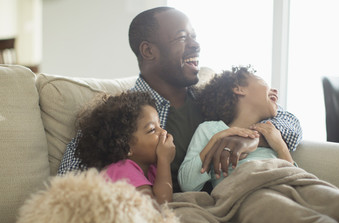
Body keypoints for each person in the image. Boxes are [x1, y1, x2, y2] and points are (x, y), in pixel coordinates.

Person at [57, 6, 302, 193]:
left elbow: (290, 122)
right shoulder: (124, 114)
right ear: (148, 51)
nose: (196, 44)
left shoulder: (210, 100)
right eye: (182, 37)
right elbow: (67, 184)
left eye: (194, 36)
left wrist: (252, 139)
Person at [178, 66, 296, 191]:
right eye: (263, 82)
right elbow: (187, 185)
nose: (275, 90)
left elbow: (295, 179)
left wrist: (281, 146)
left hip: (283, 188)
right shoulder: (210, 129)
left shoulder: (271, 132)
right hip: (248, 193)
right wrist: (215, 140)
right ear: (239, 89)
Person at [75, 91, 175, 204]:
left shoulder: (151, 168)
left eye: (160, 126)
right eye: (152, 130)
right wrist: (164, 161)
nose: (164, 132)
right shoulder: (123, 170)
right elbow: (160, 206)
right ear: (127, 147)